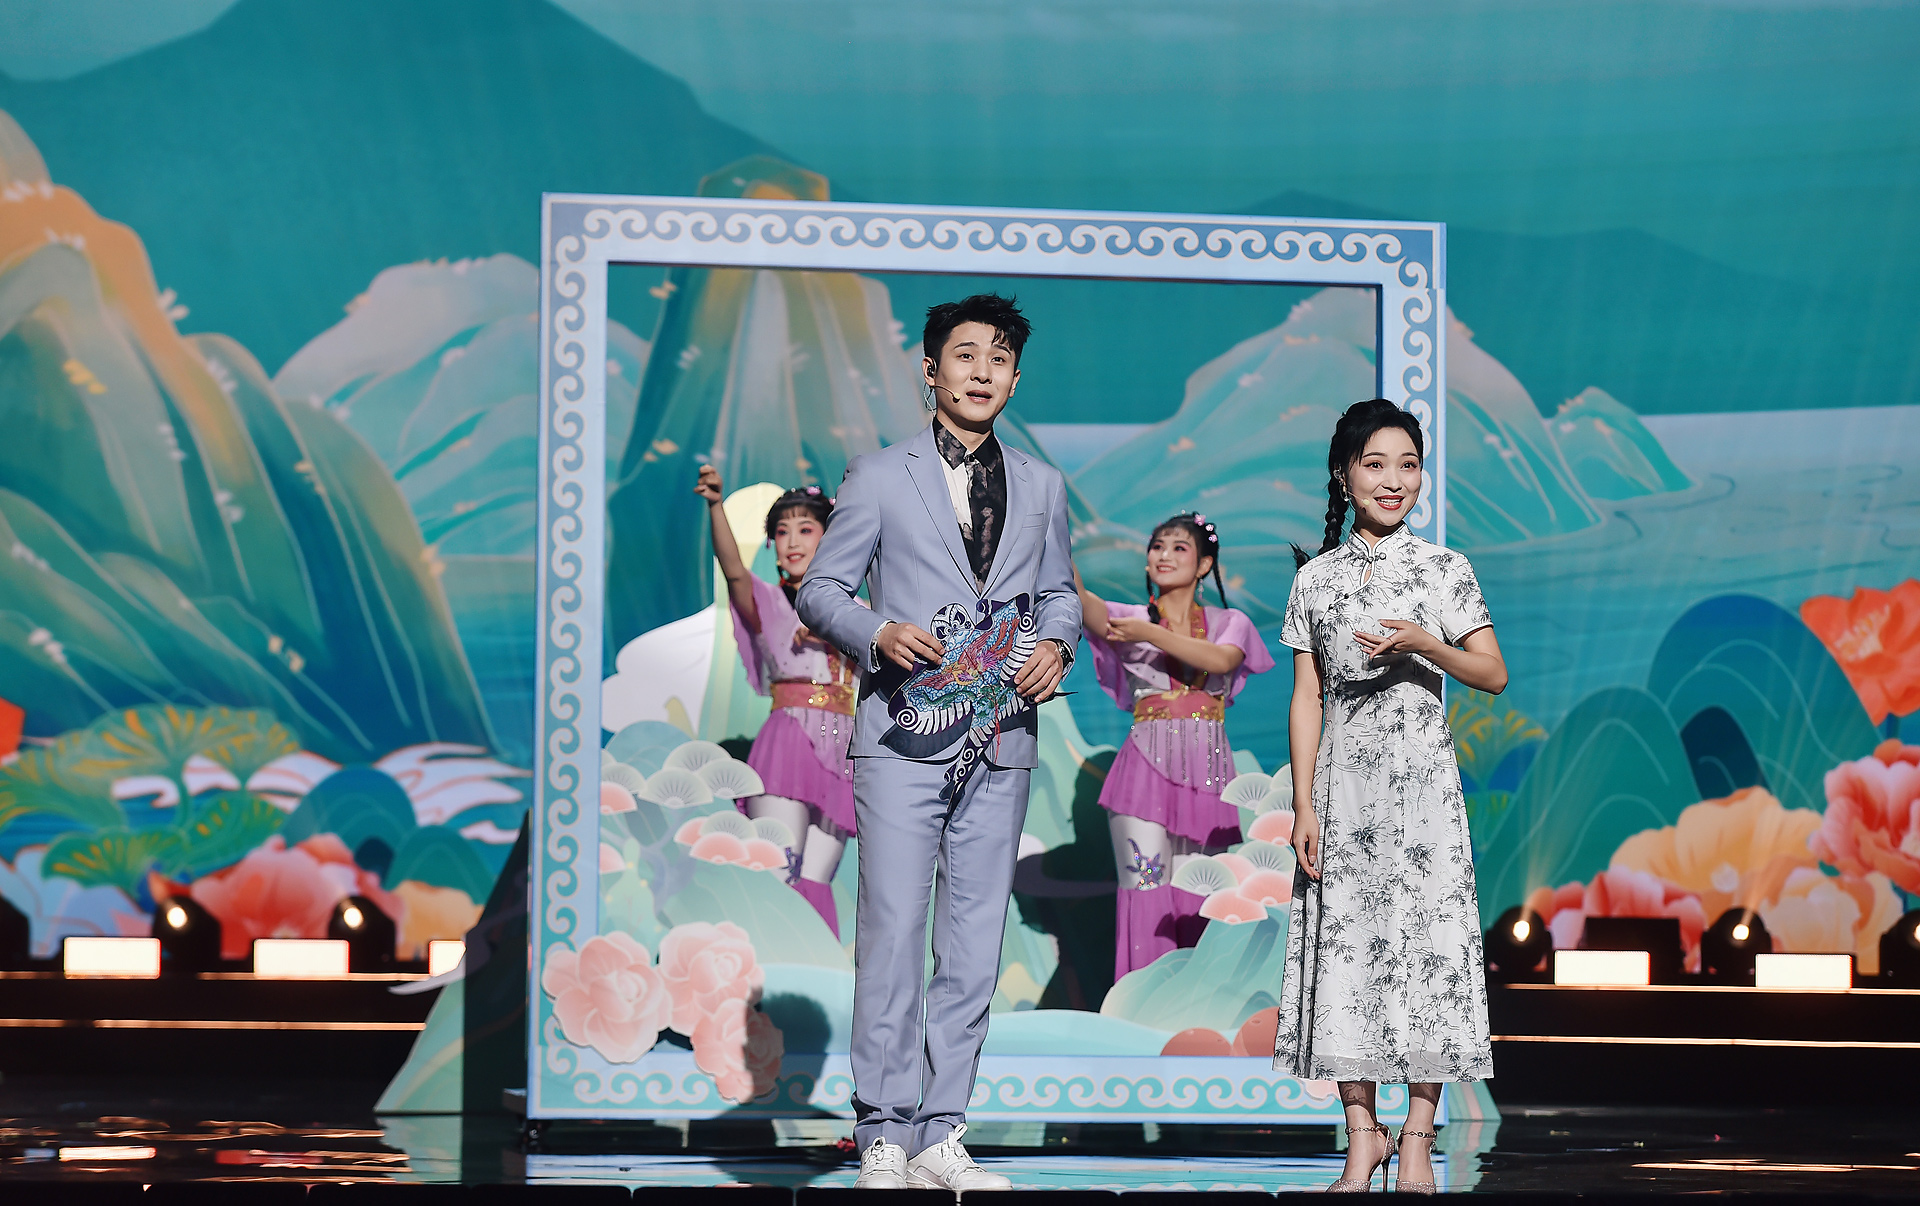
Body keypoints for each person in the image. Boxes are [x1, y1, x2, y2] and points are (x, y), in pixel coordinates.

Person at [797, 293, 1079, 1192]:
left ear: (1016, 379)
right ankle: (882, 1129)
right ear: (930, 369)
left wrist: (1059, 641)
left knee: (973, 943)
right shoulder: (881, 475)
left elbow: (1060, 593)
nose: (982, 371)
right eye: (965, 354)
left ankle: (940, 1130)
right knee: (891, 932)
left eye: (999, 358)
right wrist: (877, 632)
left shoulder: (1042, 485)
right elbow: (821, 590)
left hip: (1002, 735)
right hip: (903, 733)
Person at [1273, 398, 1507, 1194]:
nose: (1394, 479)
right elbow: (1307, 697)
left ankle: (1416, 1138)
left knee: (1427, 950)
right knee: (1346, 951)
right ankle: (1361, 1137)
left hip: (1422, 790)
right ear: (1344, 474)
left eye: (1408, 464)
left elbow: (1492, 673)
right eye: (1376, 464)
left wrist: (1423, 643)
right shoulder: (1315, 579)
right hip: (1343, 789)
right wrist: (1304, 805)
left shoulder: (1444, 568)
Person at [1074, 513, 1273, 981]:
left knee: (1203, 891)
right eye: (1156, 546)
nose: (1163, 555)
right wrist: (1044, 521)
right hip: (1142, 776)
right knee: (1145, 885)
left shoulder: (1229, 622)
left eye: (1179, 548)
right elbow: (1079, 599)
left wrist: (1151, 633)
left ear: (1204, 565)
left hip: (1208, 778)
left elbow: (1221, 659)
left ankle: (1200, 1005)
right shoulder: (1126, 619)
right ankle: (1141, 1007)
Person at [695, 469, 857, 936]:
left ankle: (815, 970)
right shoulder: (768, 601)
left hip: (844, 752)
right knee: (778, 869)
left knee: (816, 880)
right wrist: (715, 506)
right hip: (788, 744)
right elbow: (732, 570)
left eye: (805, 529)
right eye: (782, 532)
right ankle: (767, 970)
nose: (792, 541)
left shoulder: (860, 612)